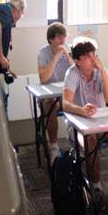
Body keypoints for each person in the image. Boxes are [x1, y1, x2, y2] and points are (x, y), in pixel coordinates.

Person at [62, 39, 108, 191]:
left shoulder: (100, 71)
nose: (92, 59)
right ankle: (96, 186)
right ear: (77, 61)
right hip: (78, 125)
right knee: (90, 141)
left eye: (93, 54)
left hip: (101, 123)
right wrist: (81, 110)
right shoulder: (72, 73)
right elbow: (65, 104)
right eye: (87, 56)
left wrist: (103, 72)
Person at [37, 22, 73, 157]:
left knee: (83, 100)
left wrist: (68, 56)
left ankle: (78, 143)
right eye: (59, 37)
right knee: (49, 105)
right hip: (50, 96)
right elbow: (44, 78)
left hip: (67, 94)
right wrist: (57, 56)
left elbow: (78, 72)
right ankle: (53, 146)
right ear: (51, 39)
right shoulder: (43, 53)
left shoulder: (69, 49)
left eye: (64, 36)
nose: (62, 40)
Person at [0, 0, 25, 113]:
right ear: (19, 9)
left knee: (2, 98)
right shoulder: (6, 10)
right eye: (21, 14)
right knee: (1, 100)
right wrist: (0, 56)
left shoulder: (5, 13)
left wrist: (6, 67)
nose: (19, 18)